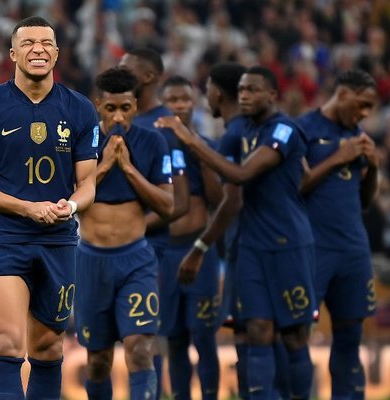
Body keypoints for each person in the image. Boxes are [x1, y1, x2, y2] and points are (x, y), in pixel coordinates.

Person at [0, 16, 98, 399]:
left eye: (46, 43)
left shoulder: (80, 109)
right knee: (6, 342)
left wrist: (71, 206)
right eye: (29, 43)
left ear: (57, 53)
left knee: (48, 347)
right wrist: (26, 208)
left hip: (58, 240)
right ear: (13, 54)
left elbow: (88, 184)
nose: (38, 49)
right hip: (5, 237)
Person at [156, 66, 316, 399]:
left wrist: (191, 140)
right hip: (249, 247)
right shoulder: (235, 135)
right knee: (255, 330)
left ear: (272, 94)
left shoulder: (284, 129)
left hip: (288, 244)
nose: (244, 96)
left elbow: (241, 175)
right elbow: (230, 197)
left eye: (253, 90)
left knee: (294, 336)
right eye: (241, 90)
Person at [74, 67, 173, 400]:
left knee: (141, 350)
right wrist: (104, 166)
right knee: (98, 361)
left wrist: (128, 168)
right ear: (98, 105)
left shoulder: (153, 142)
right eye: (111, 108)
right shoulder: (79, 143)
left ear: (136, 106)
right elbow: (68, 200)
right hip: (91, 262)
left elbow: (168, 206)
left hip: (135, 260)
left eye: (126, 108)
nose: (118, 117)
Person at [298, 69, 379, 399]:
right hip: (313, 248)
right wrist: (337, 158)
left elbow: (365, 201)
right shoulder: (303, 129)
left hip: (353, 250)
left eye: (369, 108)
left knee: (350, 336)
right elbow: (296, 186)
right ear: (343, 94)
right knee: (297, 334)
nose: (365, 114)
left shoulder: (357, 134)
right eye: (361, 104)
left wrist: (374, 166)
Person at [119, 46, 191, 398]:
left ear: (148, 77)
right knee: (105, 343)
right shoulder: (118, 121)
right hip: (109, 246)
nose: (119, 72)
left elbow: (180, 202)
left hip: (149, 247)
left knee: (146, 335)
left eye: (126, 68)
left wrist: (134, 228)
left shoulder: (166, 126)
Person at [158, 75, 223, 399]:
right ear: (162, 105)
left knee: (203, 334)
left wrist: (197, 149)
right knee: (174, 338)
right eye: (173, 100)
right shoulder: (152, 145)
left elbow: (217, 199)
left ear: (194, 104)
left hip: (199, 248)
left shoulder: (207, 145)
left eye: (185, 99)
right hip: (164, 252)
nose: (180, 106)